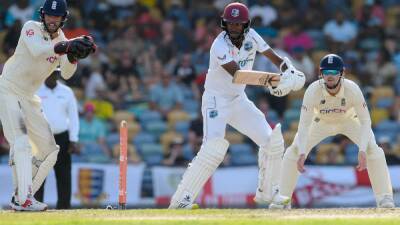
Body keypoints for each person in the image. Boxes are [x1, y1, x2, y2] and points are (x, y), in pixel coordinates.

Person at [168, 2, 305, 209]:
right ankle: (181, 200)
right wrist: (275, 80)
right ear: (224, 24)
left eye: (238, 24)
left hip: (238, 100)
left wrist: (290, 70)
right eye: (230, 24)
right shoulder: (219, 45)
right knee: (213, 149)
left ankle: (269, 192)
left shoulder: (253, 36)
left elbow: (275, 57)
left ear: (245, 25)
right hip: (216, 100)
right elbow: (239, 75)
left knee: (272, 141)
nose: (233, 28)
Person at [0, 0, 96, 211]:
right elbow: (37, 50)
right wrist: (67, 46)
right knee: (22, 142)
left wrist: (73, 55)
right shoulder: (30, 28)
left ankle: (22, 196)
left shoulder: (63, 40)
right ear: (43, 15)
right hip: (8, 90)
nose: (53, 19)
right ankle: (24, 199)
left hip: (29, 97)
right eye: (49, 15)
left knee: (50, 150)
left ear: (64, 18)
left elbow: (68, 74)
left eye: (57, 16)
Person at [269, 54, 395, 209]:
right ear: (320, 73)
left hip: (349, 120)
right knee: (293, 151)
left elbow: (365, 121)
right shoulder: (313, 90)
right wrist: (302, 152)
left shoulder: (352, 89)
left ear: (342, 72)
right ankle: (283, 200)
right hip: (321, 122)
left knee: (373, 150)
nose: (330, 76)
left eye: (334, 72)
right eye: (326, 72)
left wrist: (362, 150)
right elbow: (304, 124)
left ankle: (384, 198)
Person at [34, 68, 80, 209]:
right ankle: (37, 205)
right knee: (38, 175)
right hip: (41, 138)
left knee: (64, 174)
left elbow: (73, 116)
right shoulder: (36, 90)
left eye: (55, 73)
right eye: (50, 72)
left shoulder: (66, 92)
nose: (53, 75)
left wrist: (73, 139)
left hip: (62, 137)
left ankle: (64, 207)